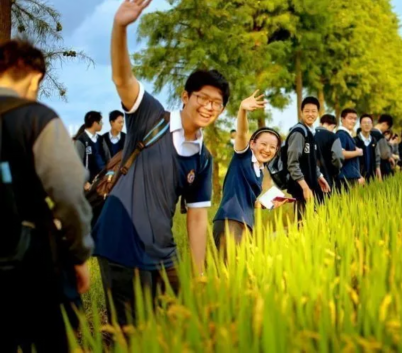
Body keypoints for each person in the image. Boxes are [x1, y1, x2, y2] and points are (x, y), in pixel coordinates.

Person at [93, 0, 230, 327]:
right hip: (119, 238)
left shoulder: (202, 157)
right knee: (129, 332)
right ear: (186, 97)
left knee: (178, 324)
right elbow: (122, 79)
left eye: (217, 103)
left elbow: (197, 220)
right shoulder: (151, 116)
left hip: (162, 250)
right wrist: (121, 26)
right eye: (203, 98)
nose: (209, 107)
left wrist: (198, 276)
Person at [0, 39, 93, 353]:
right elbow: (68, 194)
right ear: (33, 76)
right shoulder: (38, 118)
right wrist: (79, 254)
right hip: (30, 265)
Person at [213, 91, 284, 251]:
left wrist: (263, 204)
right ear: (252, 144)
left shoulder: (259, 170)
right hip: (230, 220)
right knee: (231, 272)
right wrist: (243, 110)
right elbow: (242, 133)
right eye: (263, 144)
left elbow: (248, 200)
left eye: (272, 147)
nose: (267, 149)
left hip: (246, 223)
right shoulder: (243, 157)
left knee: (242, 272)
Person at [285, 96, 331, 221]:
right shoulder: (298, 133)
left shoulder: (310, 132)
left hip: (310, 185)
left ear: (318, 113)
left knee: (312, 222)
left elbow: (311, 161)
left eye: (313, 111)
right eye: (307, 111)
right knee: (302, 223)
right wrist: (305, 187)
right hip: (301, 188)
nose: (310, 114)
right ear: (301, 112)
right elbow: (292, 163)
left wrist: (319, 177)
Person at [73, 111, 111, 189]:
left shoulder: (101, 139)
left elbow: (108, 158)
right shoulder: (81, 141)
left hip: (103, 181)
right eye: (100, 121)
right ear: (94, 123)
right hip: (89, 186)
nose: (102, 124)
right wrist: (84, 183)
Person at [314, 114, 344, 192]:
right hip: (327, 177)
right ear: (333, 126)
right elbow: (337, 157)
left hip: (309, 178)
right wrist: (336, 170)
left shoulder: (309, 135)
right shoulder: (333, 137)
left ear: (320, 123)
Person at [336, 108, 364, 190]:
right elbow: (341, 154)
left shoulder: (347, 135)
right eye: (350, 118)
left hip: (351, 177)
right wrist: (358, 152)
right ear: (342, 119)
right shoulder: (341, 134)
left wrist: (358, 175)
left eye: (355, 119)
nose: (353, 121)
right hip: (346, 178)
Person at [354, 114, 381, 182]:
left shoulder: (374, 141)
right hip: (358, 178)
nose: (367, 124)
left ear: (372, 125)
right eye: (364, 122)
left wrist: (379, 177)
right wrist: (357, 176)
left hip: (372, 176)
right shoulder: (355, 141)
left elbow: (377, 161)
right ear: (360, 125)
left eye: (369, 122)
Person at [372, 114, 395, 179]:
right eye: (388, 127)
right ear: (385, 124)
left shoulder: (369, 132)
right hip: (381, 167)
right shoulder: (379, 135)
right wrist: (389, 157)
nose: (386, 130)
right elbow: (384, 154)